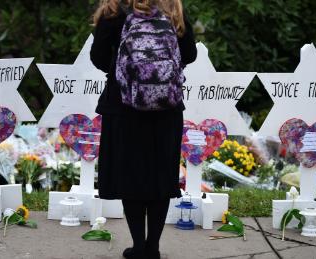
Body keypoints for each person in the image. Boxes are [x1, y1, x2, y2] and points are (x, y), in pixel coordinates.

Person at [90, 0, 197, 258]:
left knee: (131, 178)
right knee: (160, 177)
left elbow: (98, 57)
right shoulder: (172, 9)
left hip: (123, 107)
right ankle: (154, 247)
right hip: (167, 108)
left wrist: (128, 71)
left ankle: (139, 246)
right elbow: (190, 54)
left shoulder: (114, 11)